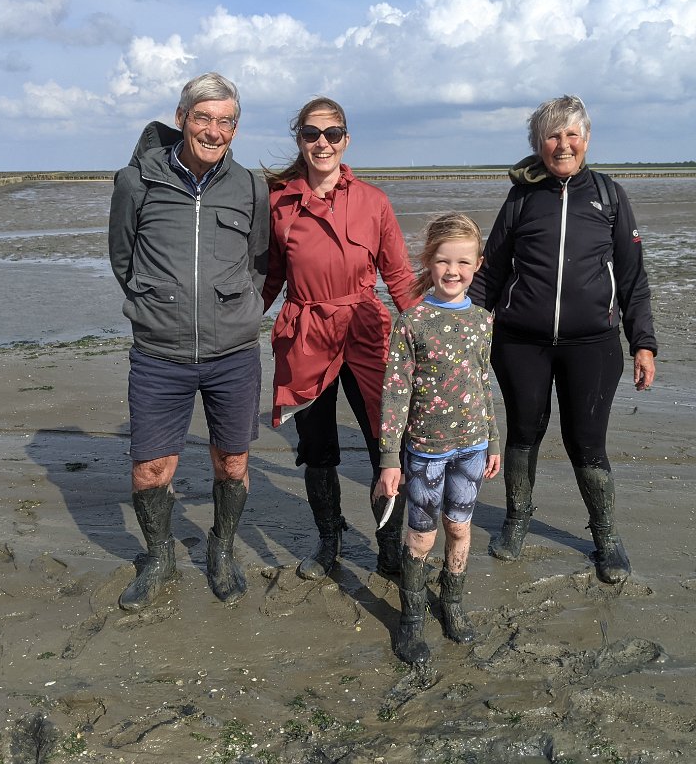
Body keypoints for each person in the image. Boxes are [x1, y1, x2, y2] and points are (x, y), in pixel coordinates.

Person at [468, 94, 657, 585]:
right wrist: (463, 329)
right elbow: (490, 273)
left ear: (587, 139)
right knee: (524, 431)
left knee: (587, 441)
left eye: (572, 134)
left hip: (592, 345)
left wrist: (644, 343)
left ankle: (606, 536)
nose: (563, 144)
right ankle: (516, 521)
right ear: (539, 143)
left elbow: (634, 278)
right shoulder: (522, 198)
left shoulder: (609, 195)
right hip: (520, 343)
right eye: (552, 135)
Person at [108, 72, 269, 610]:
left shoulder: (250, 186)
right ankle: (158, 557)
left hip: (233, 355)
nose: (213, 130)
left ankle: (221, 549)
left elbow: (261, 262)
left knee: (233, 463)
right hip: (160, 354)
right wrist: (156, 305)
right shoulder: (137, 182)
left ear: (235, 128)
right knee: (152, 468)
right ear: (181, 119)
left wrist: (237, 311)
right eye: (203, 117)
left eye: (225, 121)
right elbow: (123, 258)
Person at [262, 97, 418, 580]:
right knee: (317, 448)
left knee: (383, 443)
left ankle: (389, 545)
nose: (322, 142)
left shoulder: (374, 201)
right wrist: (235, 321)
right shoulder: (278, 204)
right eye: (312, 134)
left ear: (346, 139)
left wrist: (437, 331)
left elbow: (399, 276)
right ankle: (329, 541)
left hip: (367, 331)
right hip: (305, 335)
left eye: (332, 133)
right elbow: (268, 279)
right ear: (300, 140)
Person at [376, 212, 501, 664]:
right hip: (425, 451)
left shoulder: (483, 321)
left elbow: (484, 383)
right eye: (444, 261)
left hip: (471, 448)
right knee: (422, 536)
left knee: (460, 528)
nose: (453, 271)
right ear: (428, 262)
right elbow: (395, 393)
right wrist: (390, 459)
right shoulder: (411, 322)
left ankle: (451, 604)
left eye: (464, 263)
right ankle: (410, 620)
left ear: (478, 264)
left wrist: (493, 440)